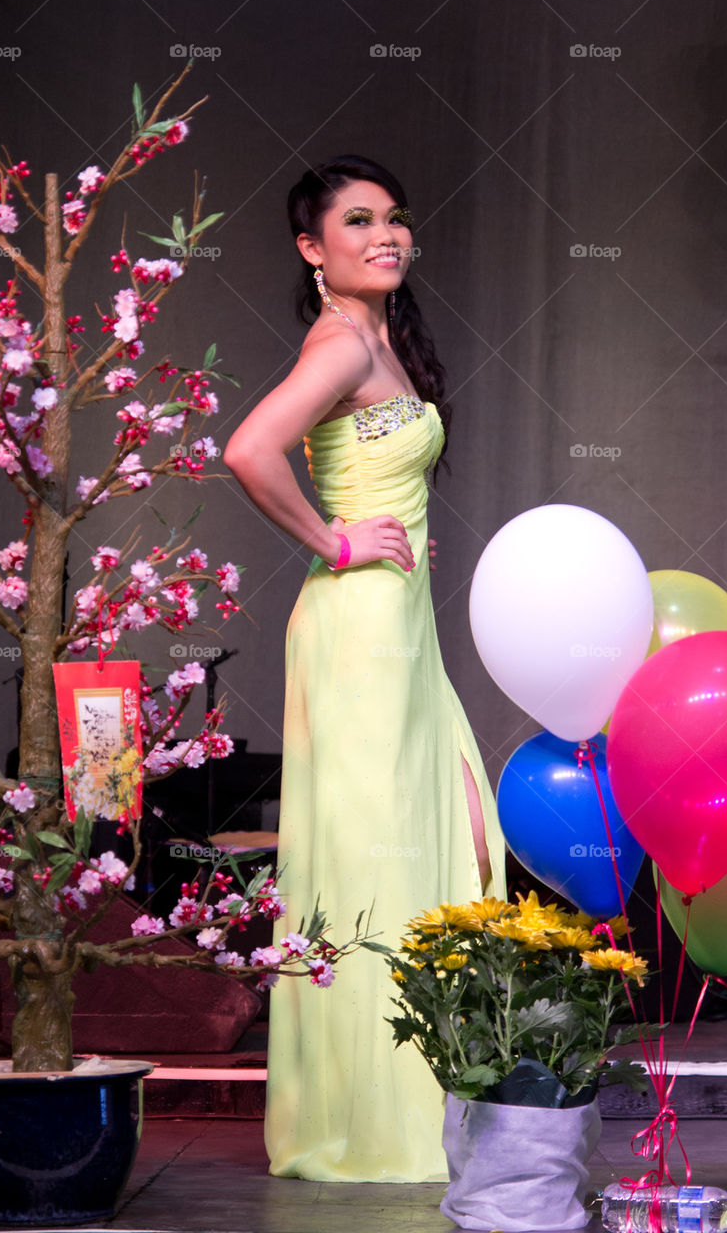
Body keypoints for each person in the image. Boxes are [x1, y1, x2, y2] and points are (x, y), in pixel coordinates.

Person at [223, 155, 507, 1182]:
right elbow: (250, 448)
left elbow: (366, 465)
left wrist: (394, 531)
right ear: (314, 248)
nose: (387, 234)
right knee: (374, 857)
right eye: (358, 220)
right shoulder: (341, 342)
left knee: (441, 834)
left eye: (395, 217)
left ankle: (411, 1102)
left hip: (397, 625)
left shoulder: (376, 335)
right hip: (358, 635)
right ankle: (373, 1123)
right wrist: (337, 542)